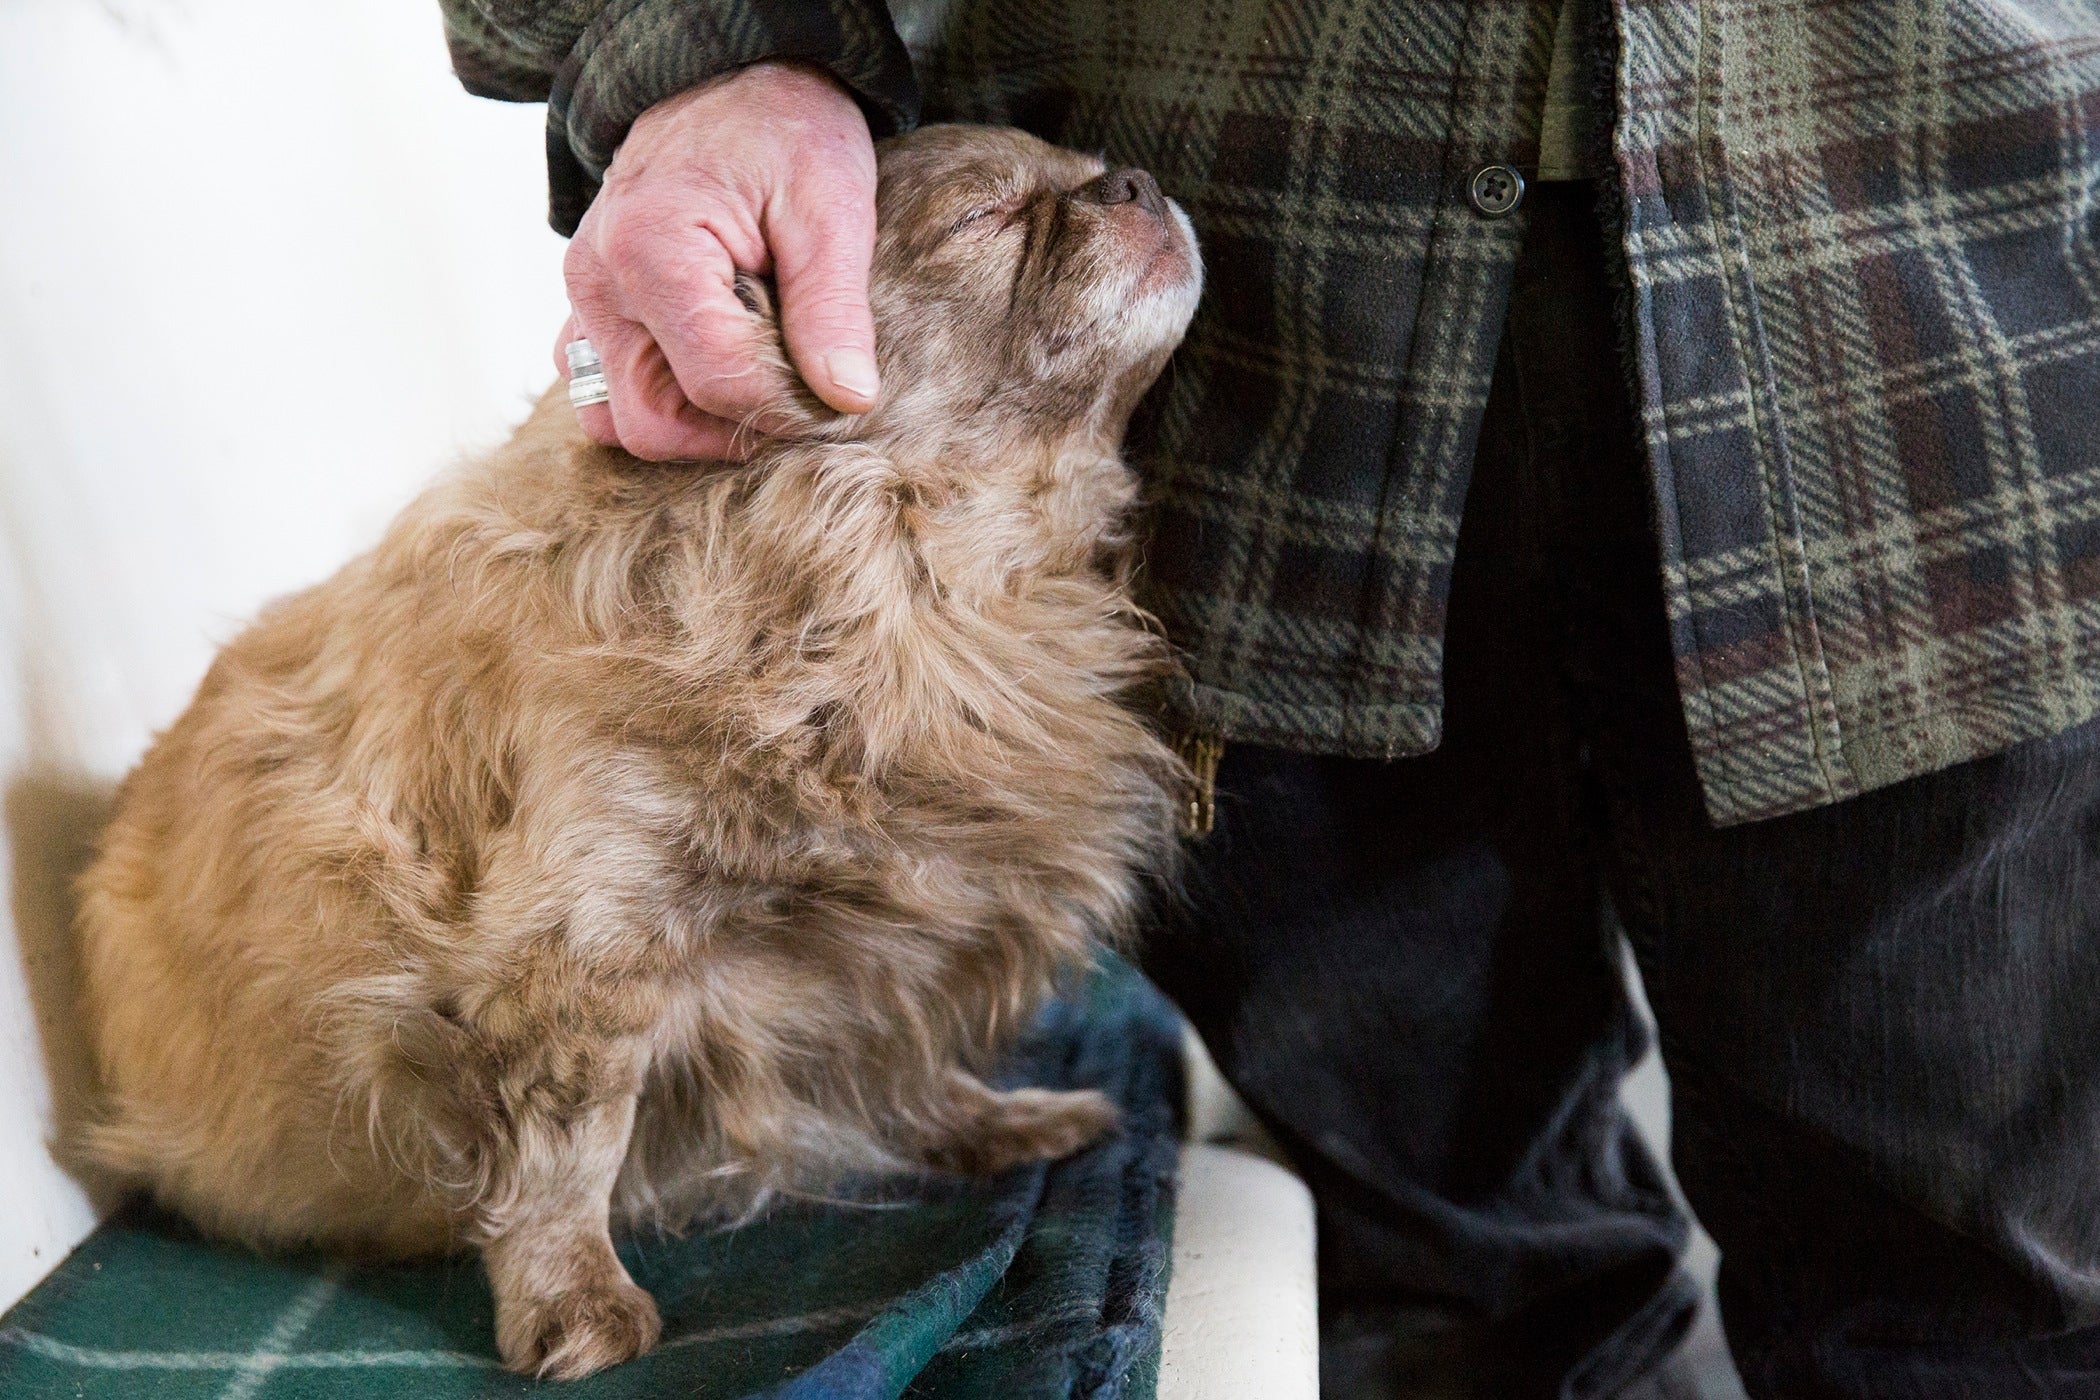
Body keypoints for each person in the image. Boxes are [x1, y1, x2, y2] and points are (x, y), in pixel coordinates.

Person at [436, 2, 2100, 1396]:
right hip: (1241, 390)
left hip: (1937, 320)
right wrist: (706, 44)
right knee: (1451, 1304)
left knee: (1988, 1323)